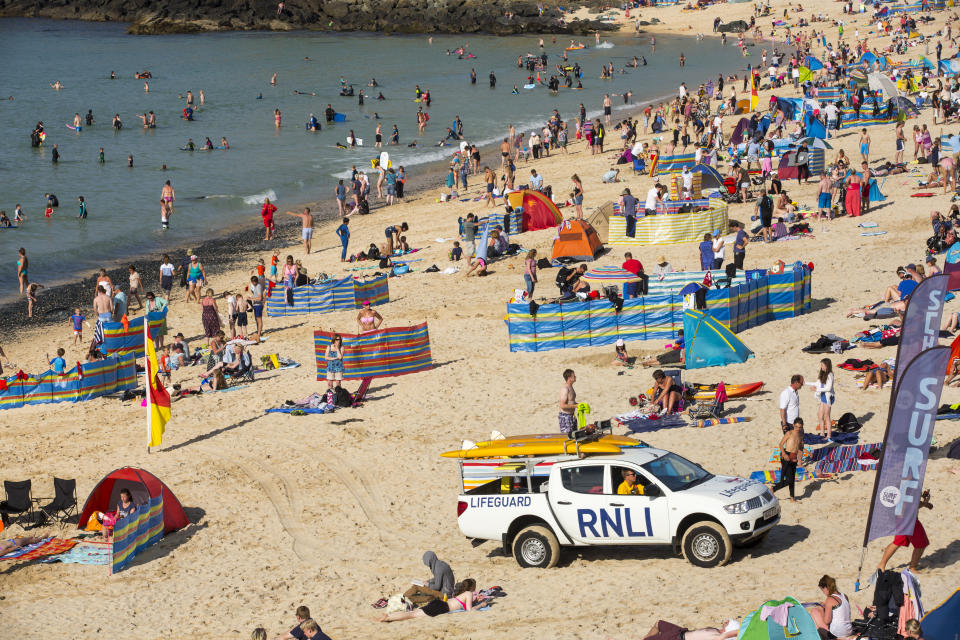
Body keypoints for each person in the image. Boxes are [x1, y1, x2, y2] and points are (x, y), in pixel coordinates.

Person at [877, 489, 933, 573]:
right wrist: (925, 503)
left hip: (901, 518)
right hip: (910, 520)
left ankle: (881, 565)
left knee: (897, 543)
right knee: (921, 544)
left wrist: (925, 503)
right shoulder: (913, 482)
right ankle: (912, 568)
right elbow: (912, 504)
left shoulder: (905, 482)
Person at [380, 579, 478, 622]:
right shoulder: (469, 594)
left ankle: (389, 616)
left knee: (413, 613)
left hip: (440, 603)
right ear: (472, 587)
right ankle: (388, 618)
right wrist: (480, 606)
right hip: (442, 607)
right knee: (412, 615)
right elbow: (469, 610)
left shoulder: (462, 594)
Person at [772, 418, 803, 502]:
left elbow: (800, 447)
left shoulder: (800, 435)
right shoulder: (789, 433)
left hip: (794, 457)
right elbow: (781, 444)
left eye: (800, 427)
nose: (798, 429)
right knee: (789, 479)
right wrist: (784, 454)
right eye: (796, 427)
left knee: (792, 479)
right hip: (786, 455)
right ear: (793, 425)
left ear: (802, 427)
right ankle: (773, 489)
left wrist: (801, 459)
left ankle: (792, 498)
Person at [811, 358, 835, 438]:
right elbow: (817, 383)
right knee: (820, 415)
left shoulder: (830, 375)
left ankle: (828, 435)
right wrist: (805, 383)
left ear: (827, 366)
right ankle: (822, 433)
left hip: (828, 397)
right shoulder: (823, 373)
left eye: (822, 365)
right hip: (823, 396)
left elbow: (828, 388)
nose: (821, 367)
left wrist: (817, 389)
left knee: (826, 416)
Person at [558, 369, 578, 434]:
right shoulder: (565, 389)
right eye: (574, 376)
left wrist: (580, 405)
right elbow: (562, 405)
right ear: (569, 378)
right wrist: (576, 406)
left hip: (572, 416)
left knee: (575, 436)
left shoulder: (571, 387)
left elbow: (571, 402)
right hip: (565, 417)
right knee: (567, 437)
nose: (575, 377)